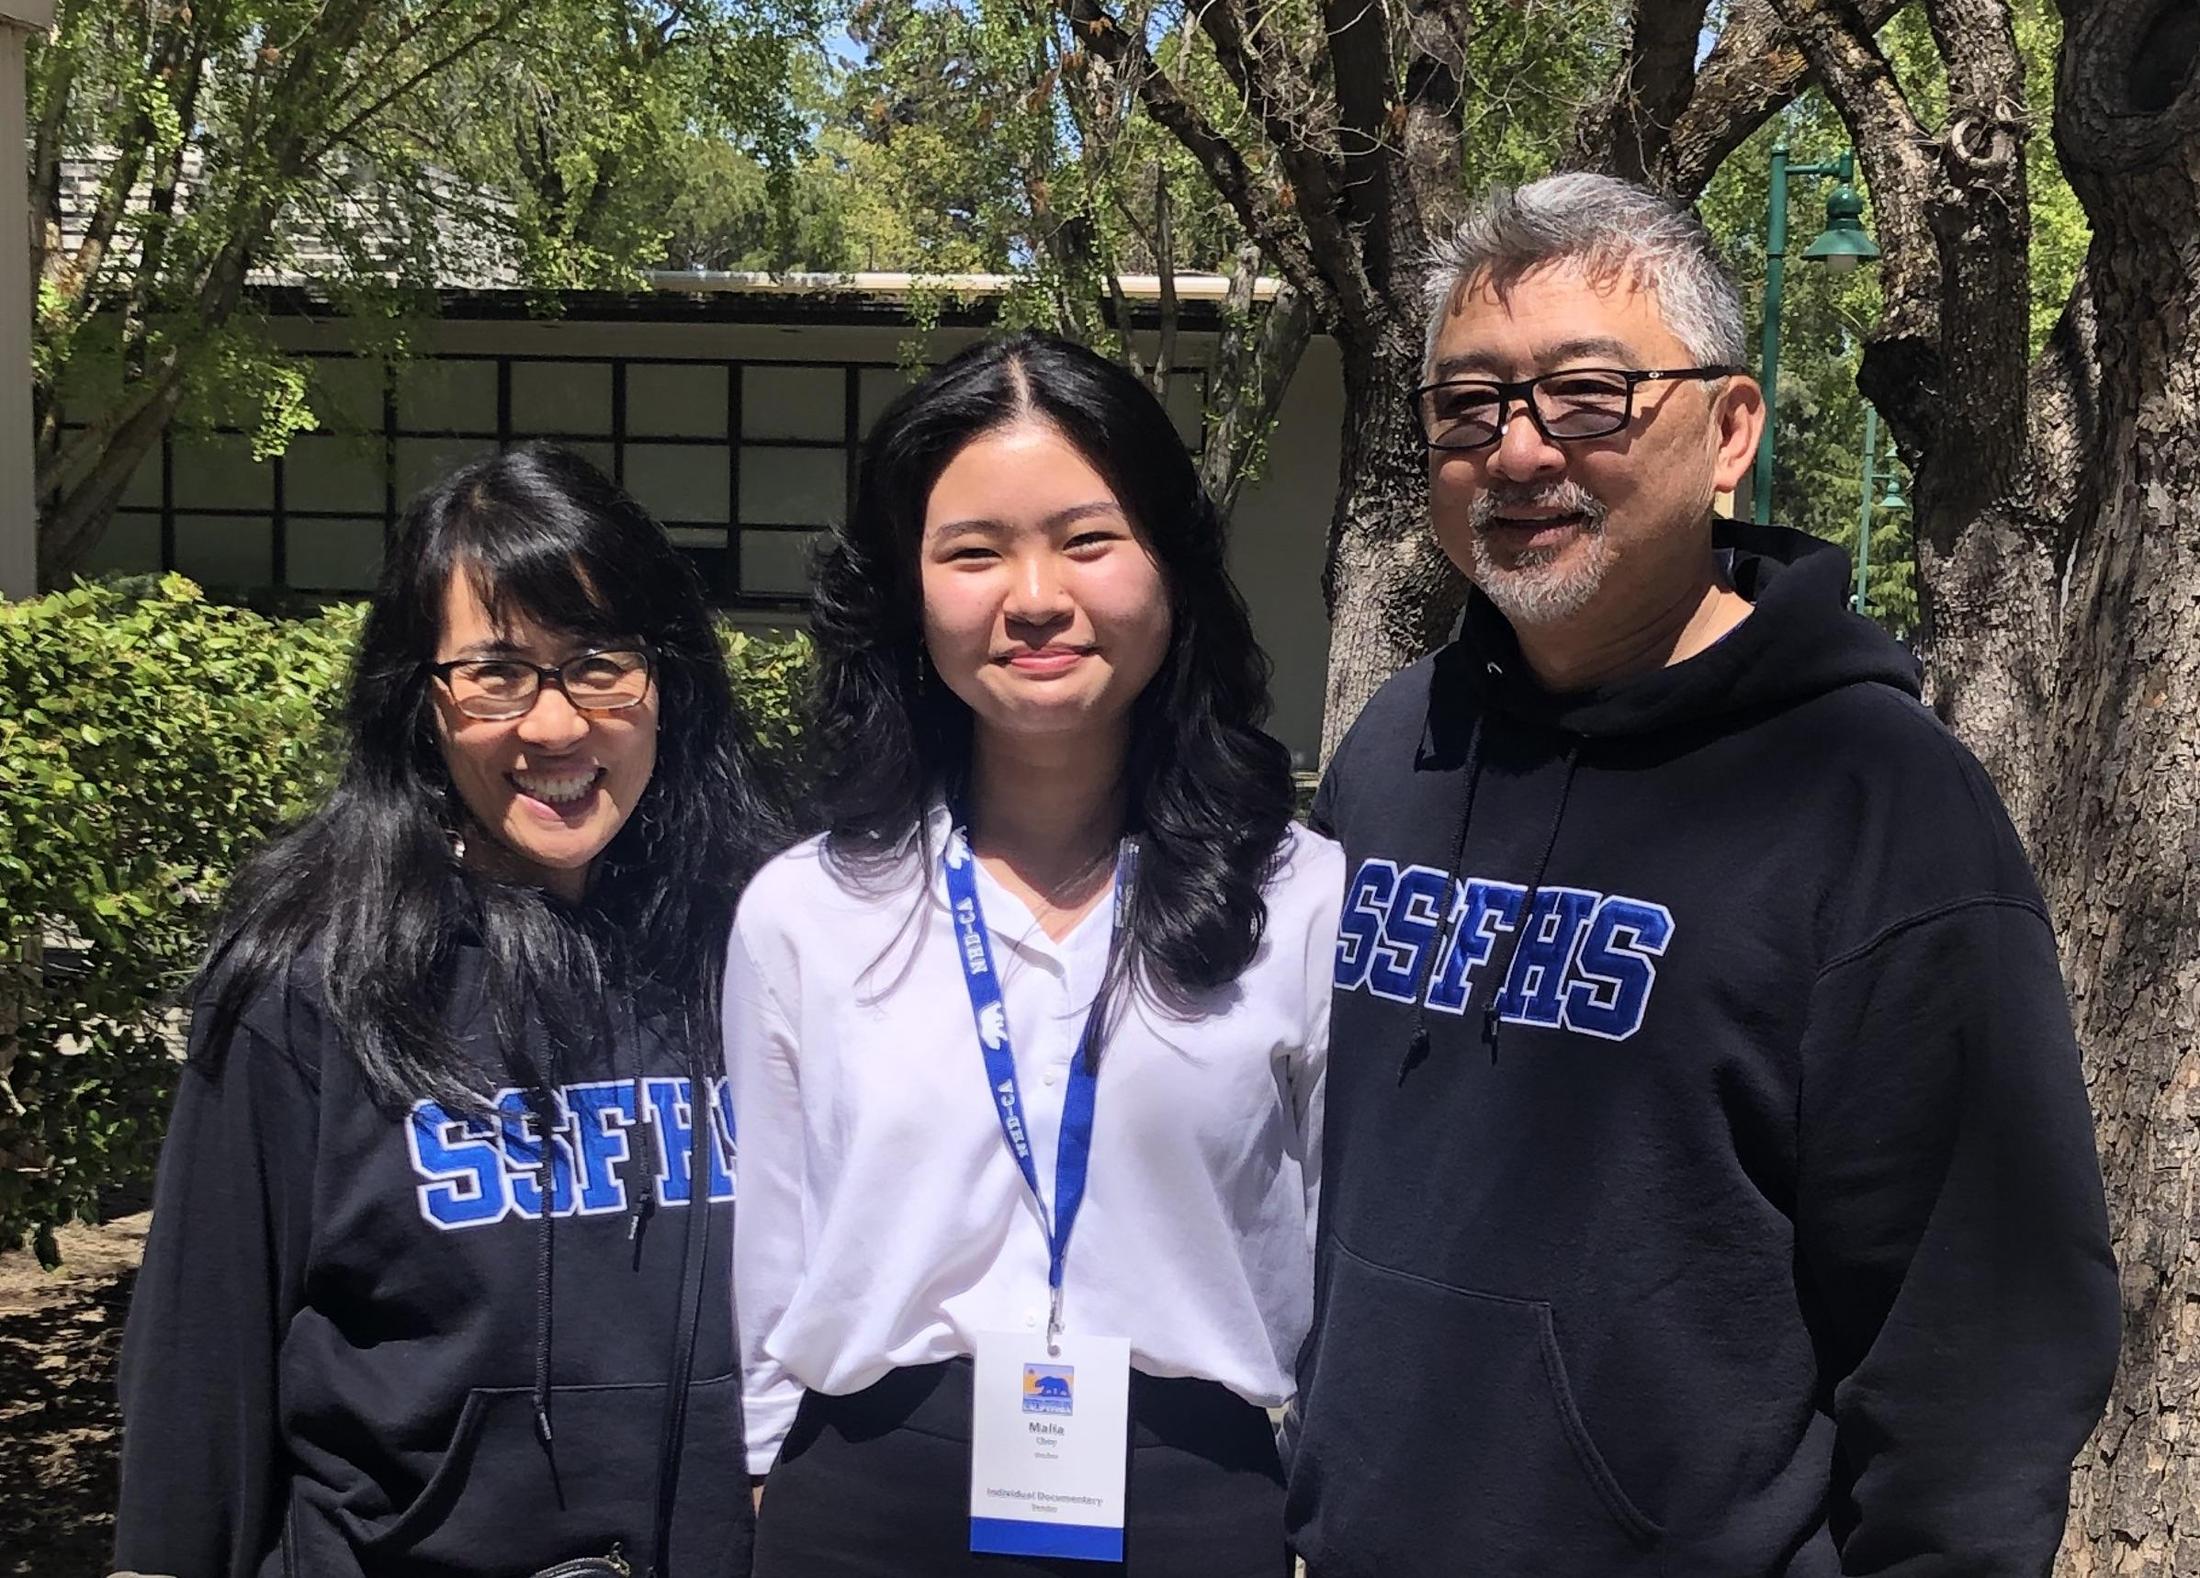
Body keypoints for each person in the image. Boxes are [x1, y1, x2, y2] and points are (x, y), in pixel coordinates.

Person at [1286, 174, 2121, 1577]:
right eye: (1467, 403)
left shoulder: (1880, 806)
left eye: (1588, 396)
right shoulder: (1395, 747)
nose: (1519, 449)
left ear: (1729, 430)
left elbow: (1976, 1342)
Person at [726, 332, 1342, 1577]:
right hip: (862, 1511)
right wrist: (755, 1475)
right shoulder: (807, 911)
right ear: (906, 591)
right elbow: (769, 1248)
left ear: (1169, 567)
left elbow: (1344, 1243)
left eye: (1086, 538)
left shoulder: (1298, 898)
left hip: (1191, 1504)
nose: (1035, 596)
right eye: (972, 551)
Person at [114, 444, 787, 1578]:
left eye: (597, 664)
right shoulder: (307, 973)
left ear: (664, 681)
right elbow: (201, 1367)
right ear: (419, 700)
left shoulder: (762, 949)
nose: (555, 726)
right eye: (495, 674)